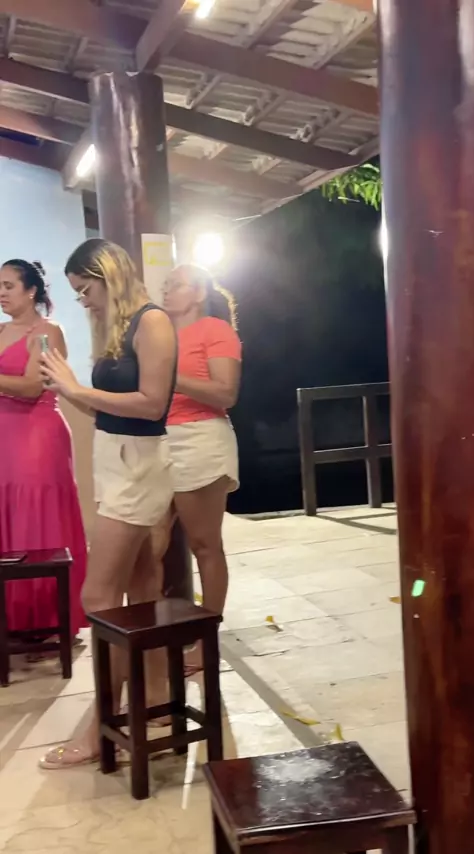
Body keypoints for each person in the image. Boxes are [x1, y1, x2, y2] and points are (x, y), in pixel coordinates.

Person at [38, 238, 177, 769]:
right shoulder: (117, 327)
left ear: (108, 275)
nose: (83, 301)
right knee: (142, 586)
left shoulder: (152, 321)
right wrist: (72, 392)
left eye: (85, 289)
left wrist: (76, 389)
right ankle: (155, 696)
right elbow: (112, 409)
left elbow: (152, 404)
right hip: (117, 459)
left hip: (139, 466)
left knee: (98, 595)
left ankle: (101, 721)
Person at [0, 259, 87, 643]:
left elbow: (33, 386)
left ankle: (45, 615)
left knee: (36, 517)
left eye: (8, 286)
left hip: (37, 435)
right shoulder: (1, 330)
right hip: (4, 435)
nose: (1, 294)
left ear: (31, 290)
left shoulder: (48, 332)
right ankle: (12, 616)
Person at [163, 264, 242, 674]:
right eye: (165, 286)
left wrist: (169, 377)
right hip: (156, 441)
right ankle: (153, 640)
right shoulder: (157, 334)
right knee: (149, 545)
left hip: (200, 437)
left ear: (197, 293)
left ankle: (206, 642)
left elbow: (225, 393)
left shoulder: (215, 330)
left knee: (204, 544)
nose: (166, 291)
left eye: (176, 285)